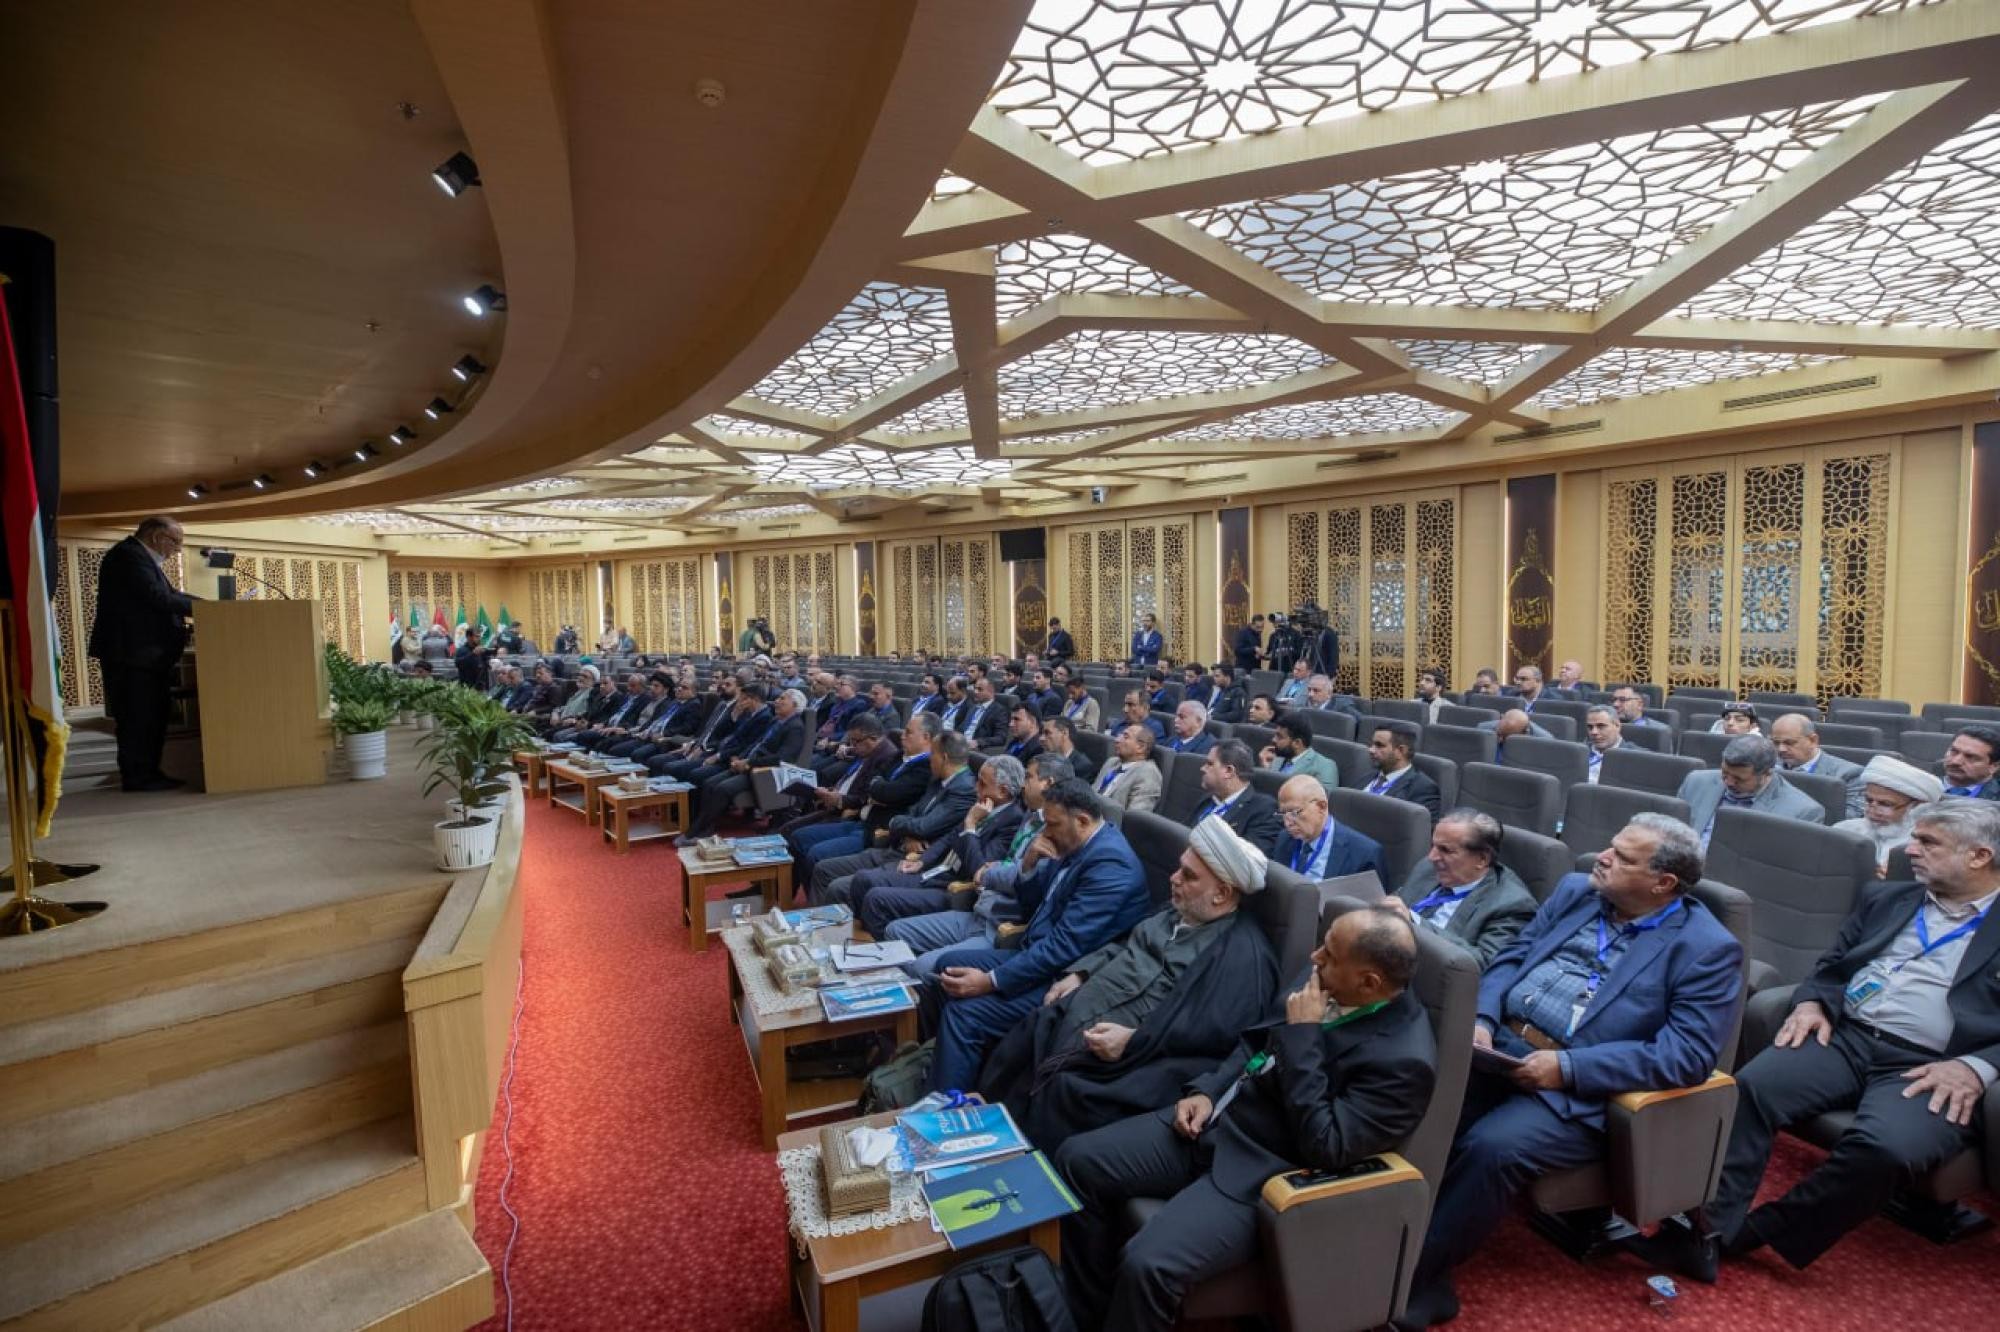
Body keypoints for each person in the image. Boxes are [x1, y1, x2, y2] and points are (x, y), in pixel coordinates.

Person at [1402, 815, 1742, 1328]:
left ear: (1663, 882)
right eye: (1611, 845)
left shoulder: (1706, 948)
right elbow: (1512, 957)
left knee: (1492, 1149)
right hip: (1499, 1046)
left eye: (1622, 857)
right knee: (1415, 1093)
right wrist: (1483, 1019)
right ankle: (1376, 1230)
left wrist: (1568, 1068)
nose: (1601, 857)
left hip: (1580, 1087)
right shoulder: (1576, 892)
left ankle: (1416, 1279)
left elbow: (1686, 1055)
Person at [1058, 904, 1435, 1332]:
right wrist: (1208, 1090)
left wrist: (1304, 1037)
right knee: (1076, 1161)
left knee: (1148, 1265)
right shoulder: (1326, 976)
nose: (1314, 957)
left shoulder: (1405, 1063)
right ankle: (1089, 1314)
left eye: (1329, 954)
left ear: (1369, 983)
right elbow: (1257, 1041)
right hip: (1219, 1120)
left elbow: (1326, 1146)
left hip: (1263, 1170)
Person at [1690, 799, 2000, 1277]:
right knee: (1748, 1089)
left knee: (1885, 1150)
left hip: (1931, 1066)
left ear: (1979, 856)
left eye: (1927, 842)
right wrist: (1812, 1002)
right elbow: (1833, 964)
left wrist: (1977, 1067)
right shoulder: (1888, 899)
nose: (1909, 849)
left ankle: (1765, 1230)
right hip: (1846, 1036)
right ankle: (1708, 1228)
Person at [983, 817, 1283, 1151]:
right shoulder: (1177, 910)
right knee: (1025, 1038)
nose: (1173, 878)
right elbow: (1124, 943)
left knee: (1065, 1089)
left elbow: (1210, 1037)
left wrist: (1136, 1040)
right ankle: (984, 1140)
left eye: (1188, 876)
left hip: (1129, 1061)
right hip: (1071, 1016)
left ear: (1222, 894)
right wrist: (1080, 974)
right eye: (1179, 868)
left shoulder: (1243, 958)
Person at [929, 779, 1151, 1092]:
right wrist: (1030, 864)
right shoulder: (1074, 844)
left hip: (1065, 977)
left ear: (1082, 821)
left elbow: (1064, 947)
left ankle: (945, 1105)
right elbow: (1032, 905)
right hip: (1034, 953)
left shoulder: (1111, 864)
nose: (1045, 832)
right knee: (948, 965)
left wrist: (990, 981)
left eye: (1053, 824)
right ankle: (949, 1062)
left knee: (964, 1014)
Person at [885, 754, 1071, 972]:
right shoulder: (1030, 817)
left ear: (1047, 783)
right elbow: (998, 861)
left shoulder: (1052, 833)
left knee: (921, 966)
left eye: (1029, 777)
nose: (1022, 784)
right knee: (895, 931)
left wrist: (987, 871)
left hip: (1000, 926)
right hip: (980, 910)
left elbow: (1019, 878)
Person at [851, 756, 1027, 938]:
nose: (976, 788)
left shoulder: (1012, 821)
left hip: (954, 888)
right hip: (935, 871)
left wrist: (970, 826)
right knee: (863, 880)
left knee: (876, 899)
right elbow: (949, 837)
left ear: (1002, 791)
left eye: (982, 784)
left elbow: (978, 869)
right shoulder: (982, 805)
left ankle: (883, 949)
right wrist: (922, 861)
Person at [87, 516, 198, 791]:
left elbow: (171, 593)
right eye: (175, 542)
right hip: (132, 655)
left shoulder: (141, 558)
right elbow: (158, 598)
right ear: (157, 537)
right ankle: (139, 777)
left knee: (151, 715)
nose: (177, 549)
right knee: (138, 717)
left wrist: (207, 606)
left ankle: (148, 772)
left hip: (144, 656)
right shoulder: (128, 556)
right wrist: (206, 609)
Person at [1388, 810, 1538, 968]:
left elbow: (1483, 963)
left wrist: (1414, 923)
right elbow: (1400, 899)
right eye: (1433, 846)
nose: (1432, 857)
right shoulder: (1428, 867)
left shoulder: (1512, 905)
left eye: (1445, 850)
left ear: (1482, 859)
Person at [1677, 733, 1826, 850]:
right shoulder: (1696, 781)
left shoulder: (1802, 812)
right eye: (1725, 773)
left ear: (1767, 774)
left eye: (1739, 779)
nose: (1728, 782)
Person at [1833, 755, 1944, 875]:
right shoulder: (1843, 831)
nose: (1872, 810)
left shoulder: (1927, 849)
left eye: (1885, 804)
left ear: (1916, 807)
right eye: (1869, 800)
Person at [1273, 775, 1382, 880]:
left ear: (1322, 806)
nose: (1287, 823)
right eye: (1283, 814)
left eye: (1294, 813)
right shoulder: (1284, 839)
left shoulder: (1364, 854)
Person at [1188, 741, 1282, 853]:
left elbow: (1248, 857)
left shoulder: (1264, 810)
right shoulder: (1208, 799)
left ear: (1229, 771)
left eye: (1209, 764)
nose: (1203, 768)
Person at [1771, 712, 1865, 819]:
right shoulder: (1769, 766)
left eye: (1789, 743)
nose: (1781, 749)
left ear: (1813, 740)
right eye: (1776, 743)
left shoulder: (1850, 775)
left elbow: (1846, 820)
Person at [1361, 723, 1443, 817]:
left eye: (1379, 745)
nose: (1371, 750)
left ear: (1401, 751)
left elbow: (1419, 825)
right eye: (1372, 744)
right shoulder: (1366, 776)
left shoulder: (1423, 789)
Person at [1092, 724, 1163, 814]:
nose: (1117, 740)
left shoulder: (1149, 774)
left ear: (1140, 747)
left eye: (1125, 737)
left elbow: (1135, 817)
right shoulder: (1112, 762)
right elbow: (1092, 792)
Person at [1259, 715, 1338, 788]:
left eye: (1279, 737)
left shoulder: (1325, 766)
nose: (1273, 740)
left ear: (1297, 743)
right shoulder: (1277, 758)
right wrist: (1267, 771)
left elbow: (1321, 796)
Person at [1940, 724, 2000, 799]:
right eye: (1954, 751)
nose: (1956, 761)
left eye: (1970, 757)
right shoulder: (1926, 786)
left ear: (1994, 766)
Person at [1039, 714, 1095, 783]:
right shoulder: (1040, 759)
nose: (1041, 738)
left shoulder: (1082, 767)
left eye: (1047, 733)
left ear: (1065, 733)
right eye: (1041, 733)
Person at [1583, 704, 1627, 782]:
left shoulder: (1635, 757)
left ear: (1617, 726)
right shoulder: (1579, 752)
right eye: (1590, 727)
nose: (1594, 732)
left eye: (1601, 726)